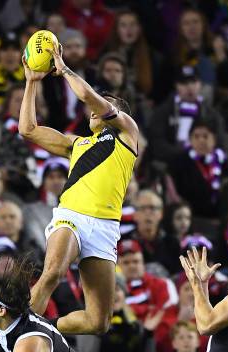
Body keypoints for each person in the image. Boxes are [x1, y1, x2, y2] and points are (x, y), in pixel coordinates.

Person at [19, 42, 139, 335]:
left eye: (105, 102)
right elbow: (28, 130)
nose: (95, 108)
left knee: (98, 322)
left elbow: (86, 95)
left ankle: (46, 328)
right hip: (71, 216)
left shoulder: (127, 133)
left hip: (105, 228)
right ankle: (18, 336)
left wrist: (64, 69)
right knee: (53, 272)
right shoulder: (77, 144)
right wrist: (31, 83)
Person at [148, 64, 225, 165]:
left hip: (202, 164)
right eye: (184, 83)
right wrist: (184, 155)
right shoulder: (163, 111)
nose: (189, 87)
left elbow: (219, 144)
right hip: (170, 163)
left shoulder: (212, 115)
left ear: (200, 84)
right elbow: (157, 144)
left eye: (193, 82)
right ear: (176, 85)